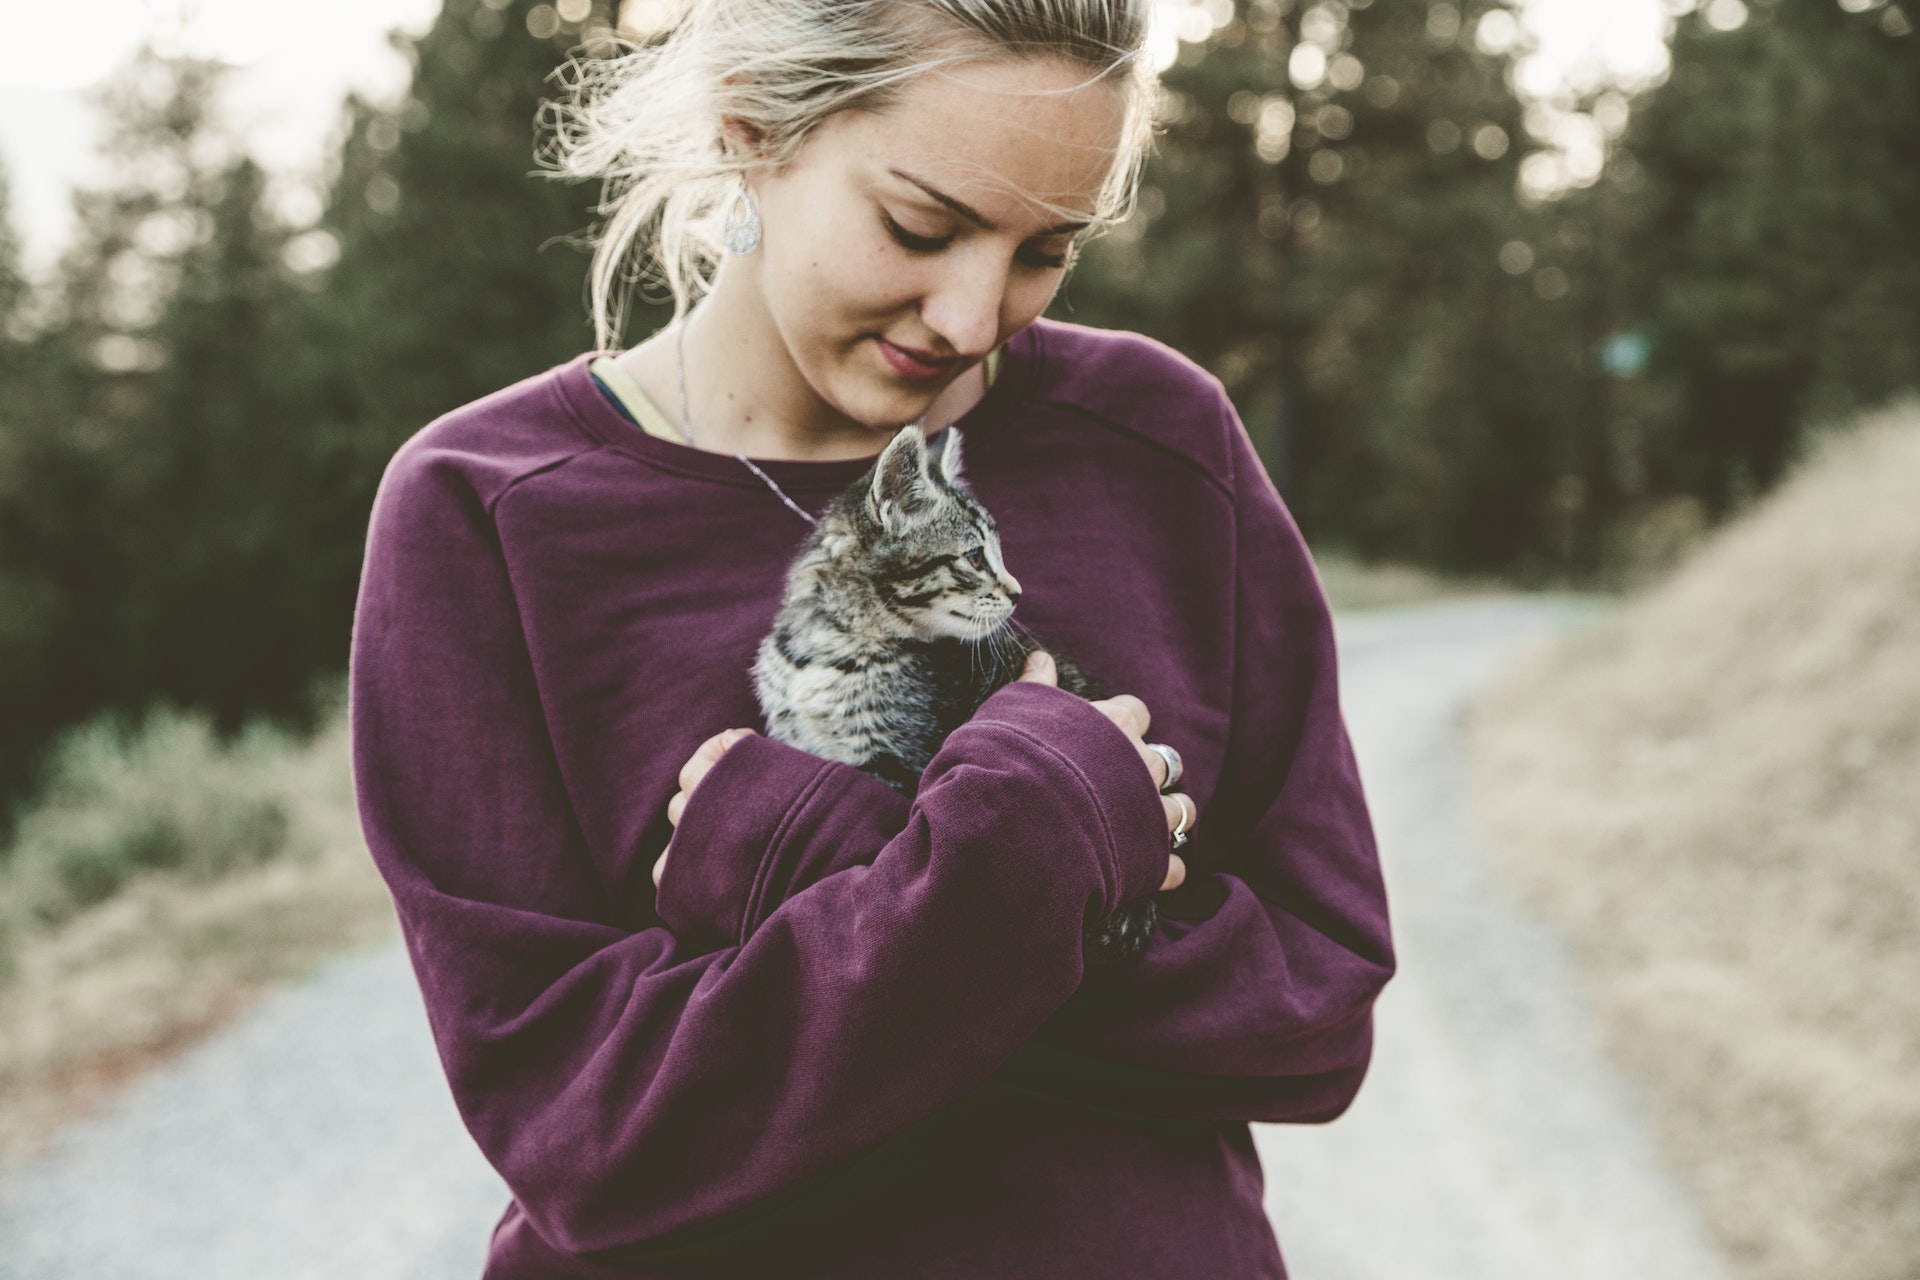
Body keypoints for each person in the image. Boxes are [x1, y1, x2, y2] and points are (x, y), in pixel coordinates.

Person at [349, 1, 1395, 1276]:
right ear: (751, 128)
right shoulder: (489, 507)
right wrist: (1027, 853)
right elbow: (591, 1133)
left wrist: (816, 858)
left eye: (1045, 249)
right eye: (922, 226)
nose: (971, 315)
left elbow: (1316, 1007)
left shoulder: (1161, 442)